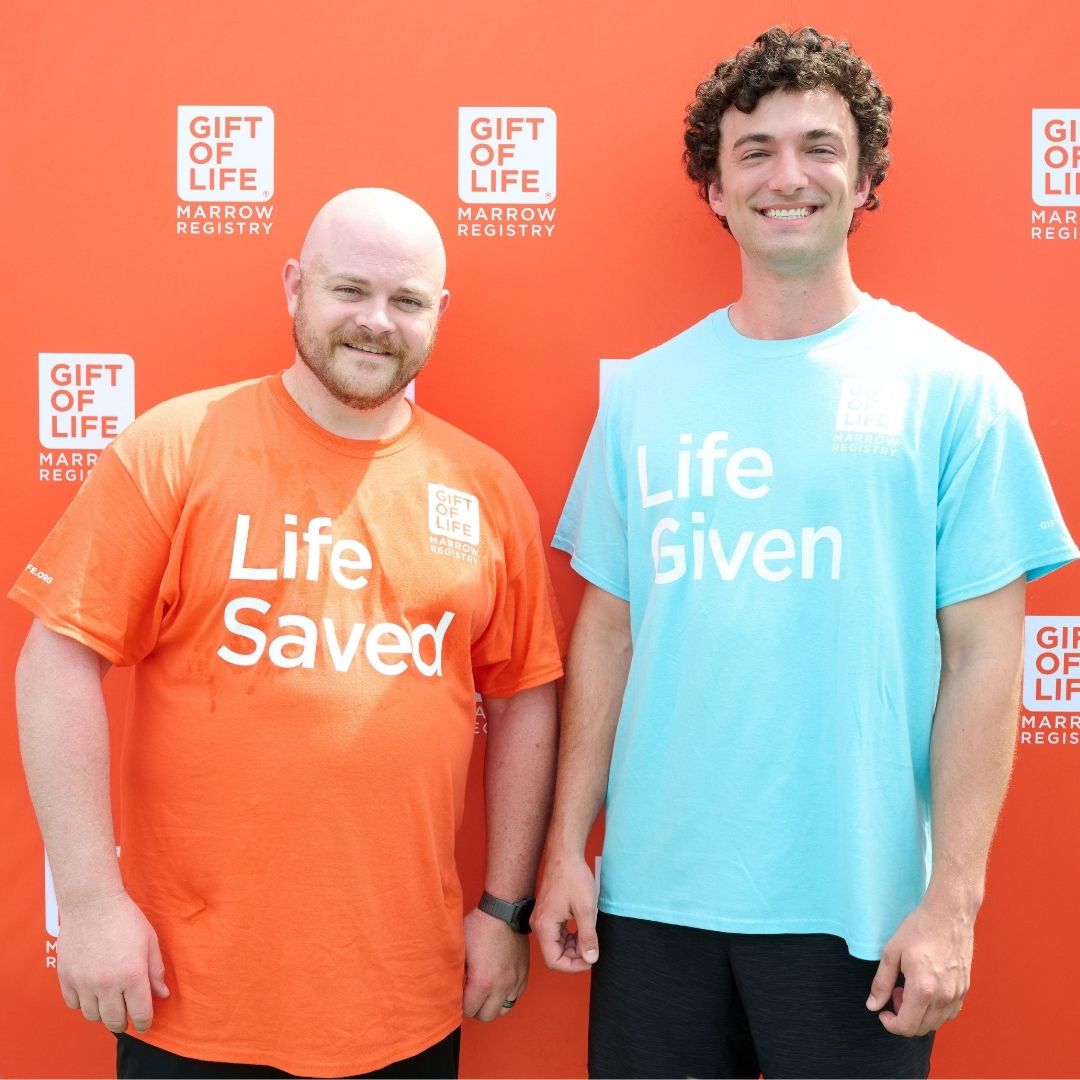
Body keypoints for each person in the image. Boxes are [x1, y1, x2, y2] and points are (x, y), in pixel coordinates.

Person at [532, 26, 1078, 1079]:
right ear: (716, 189)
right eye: (756, 151)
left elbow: (985, 662)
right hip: (652, 909)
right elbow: (609, 628)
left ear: (866, 176)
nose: (790, 177)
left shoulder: (954, 390)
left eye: (820, 147)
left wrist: (953, 903)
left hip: (859, 917)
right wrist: (567, 848)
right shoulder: (643, 395)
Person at [12, 188, 564, 1080]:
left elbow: (526, 696)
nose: (376, 323)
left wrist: (503, 910)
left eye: (407, 301)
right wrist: (88, 899)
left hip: (404, 1002)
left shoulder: (484, 486)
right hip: (188, 997)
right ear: (295, 287)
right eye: (349, 291)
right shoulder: (176, 447)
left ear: (438, 314)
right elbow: (55, 662)